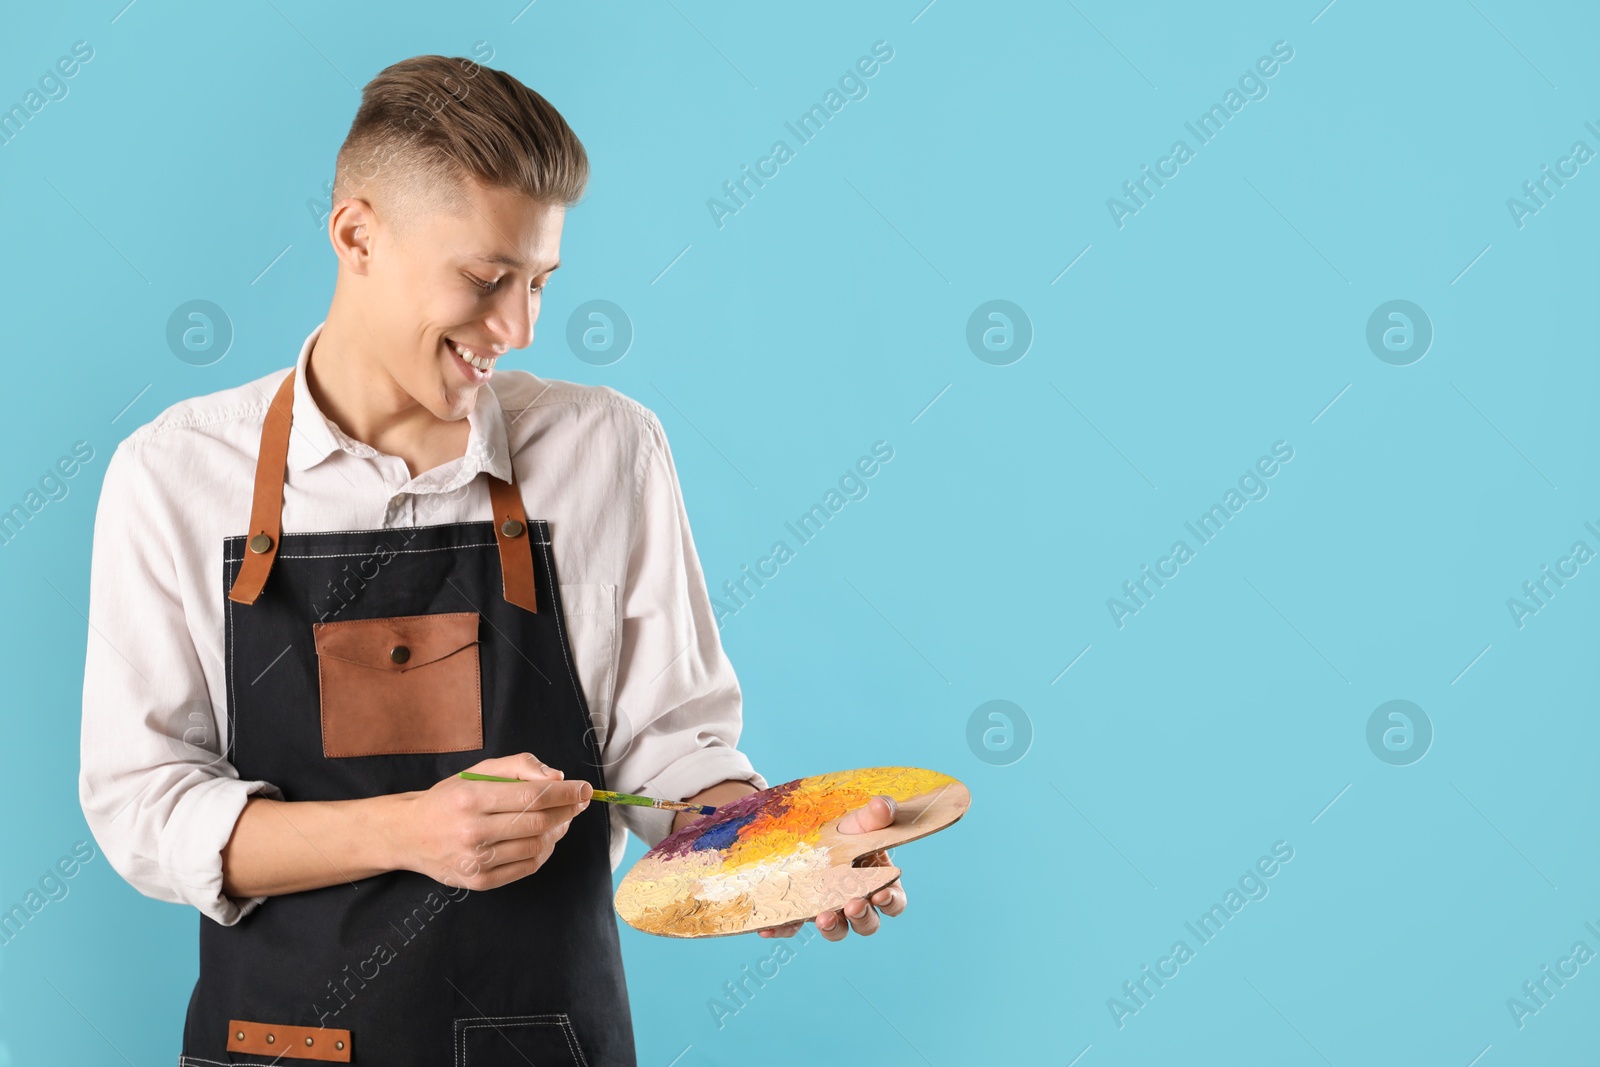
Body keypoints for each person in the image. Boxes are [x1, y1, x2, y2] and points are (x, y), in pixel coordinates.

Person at [77, 54, 906, 1067]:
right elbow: (146, 806)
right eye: (485, 279)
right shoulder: (174, 474)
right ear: (356, 236)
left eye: (540, 281)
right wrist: (409, 831)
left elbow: (668, 752)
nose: (515, 329)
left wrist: (775, 847)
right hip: (277, 1046)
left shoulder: (608, 450)